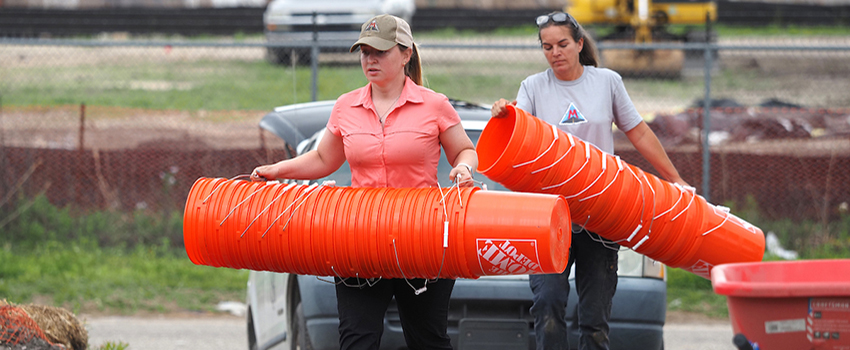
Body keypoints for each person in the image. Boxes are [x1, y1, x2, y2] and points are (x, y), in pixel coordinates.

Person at [251, 14, 477, 350]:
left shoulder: (435, 105)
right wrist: (279, 170)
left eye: (380, 52)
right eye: (364, 52)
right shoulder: (346, 106)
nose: (370, 60)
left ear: (406, 54)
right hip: (360, 238)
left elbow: (465, 150)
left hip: (422, 238)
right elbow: (324, 159)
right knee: (357, 339)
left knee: (428, 339)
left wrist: (463, 168)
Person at [490, 11, 689, 350]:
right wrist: (502, 113)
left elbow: (638, 132)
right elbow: (516, 130)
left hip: (601, 214)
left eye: (563, 44)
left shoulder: (607, 82)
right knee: (548, 304)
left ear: (579, 44)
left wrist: (675, 179)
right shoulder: (533, 87)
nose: (555, 53)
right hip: (549, 217)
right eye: (547, 47)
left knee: (594, 318)